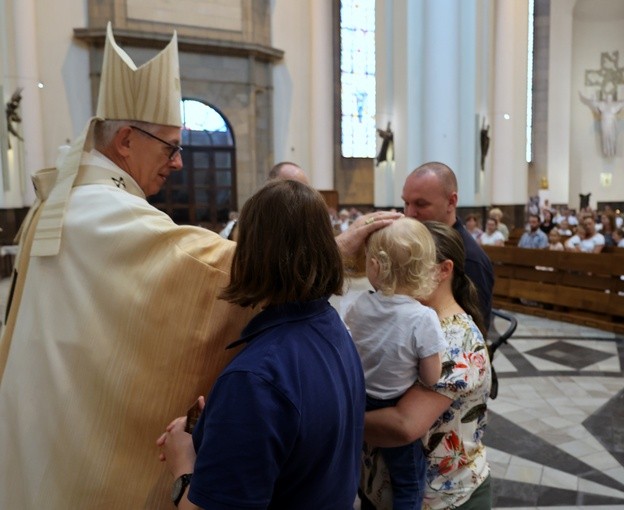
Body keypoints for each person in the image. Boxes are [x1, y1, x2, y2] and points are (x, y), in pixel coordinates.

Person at [0, 24, 393, 509]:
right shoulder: (100, 210)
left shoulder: (70, 202)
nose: (179, 163)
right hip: (72, 433)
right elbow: (205, 269)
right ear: (125, 140)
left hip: (47, 417)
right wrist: (329, 251)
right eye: (170, 146)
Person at [157, 180, 365, 509]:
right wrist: (224, 425)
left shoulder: (254, 379)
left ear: (250, 254)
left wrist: (182, 463)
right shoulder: (330, 325)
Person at [360, 221, 492, 509]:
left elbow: (404, 426)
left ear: (443, 270)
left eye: (410, 264)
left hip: (441, 499)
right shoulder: (403, 317)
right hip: (379, 489)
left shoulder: (457, 339)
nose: (395, 272)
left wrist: (330, 418)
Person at [344, 217, 447, 508]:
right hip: (393, 405)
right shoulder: (422, 318)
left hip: (359, 399)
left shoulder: (357, 304)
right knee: (409, 483)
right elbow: (430, 376)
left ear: (375, 265)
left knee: (353, 470)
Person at [402, 162, 495, 330]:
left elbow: (472, 337)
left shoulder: (470, 260)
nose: (409, 214)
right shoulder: (418, 244)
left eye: (420, 204)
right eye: (406, 203)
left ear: (451, 202)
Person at [579, 91, 624, 157]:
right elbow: (594, 103)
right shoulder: (603, 104)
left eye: (610, 98)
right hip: (604, 122)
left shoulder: (615, 104)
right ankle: (606, 150)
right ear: (606, 99)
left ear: (611, 99)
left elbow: (623, 103)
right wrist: (593, 98)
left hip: (612, 122)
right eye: (607, 98)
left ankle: (612, 150)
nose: (609, 99)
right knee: (605, 136)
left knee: (612, 137)